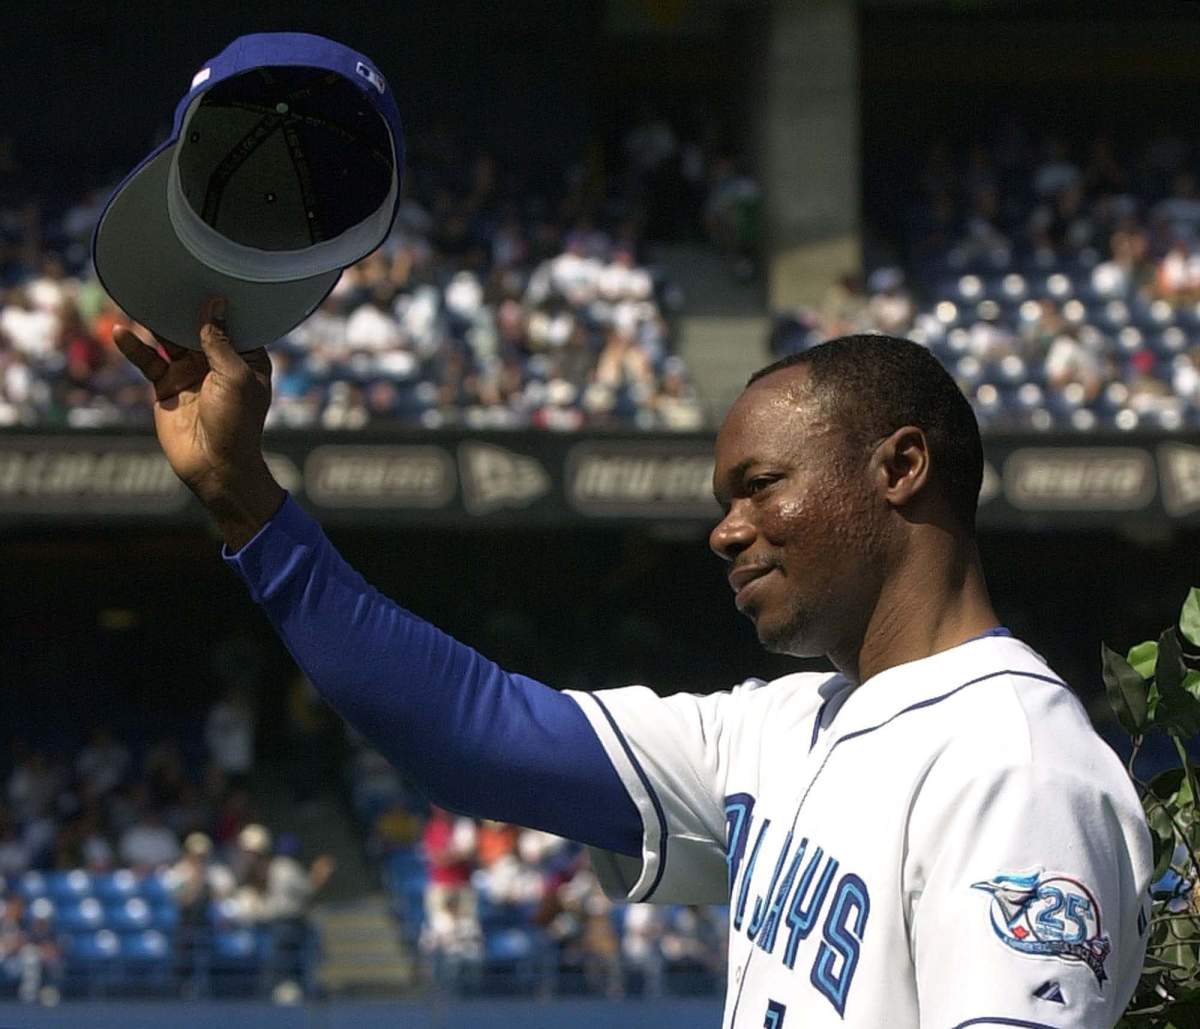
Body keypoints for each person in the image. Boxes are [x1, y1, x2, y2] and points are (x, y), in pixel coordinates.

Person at [115, 301, 1152, 1026]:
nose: (726, 531)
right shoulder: (779, 725)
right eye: (723, 503)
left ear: (901, 467)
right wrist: (244, 498)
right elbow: (477, 736)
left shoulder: (1014, 764)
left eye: (760, 486)